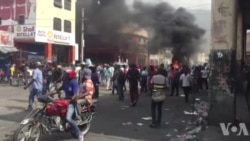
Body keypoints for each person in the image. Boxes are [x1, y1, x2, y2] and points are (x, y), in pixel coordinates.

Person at [50, 68, 84, 141]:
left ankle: (79, 133)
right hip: (65, 101)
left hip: (71, 103)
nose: (65, 75)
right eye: (65, 74)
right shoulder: (65, 81)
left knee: (68, 118)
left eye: (67, 74)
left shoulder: (74, 82)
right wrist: (51, 93)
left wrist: (70, 98)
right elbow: (59, 89)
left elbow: (75, 94)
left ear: (71, 75)